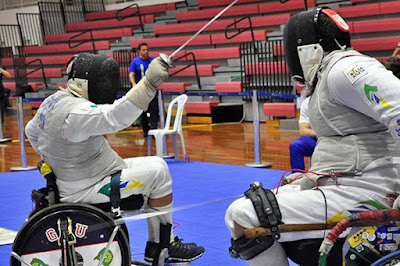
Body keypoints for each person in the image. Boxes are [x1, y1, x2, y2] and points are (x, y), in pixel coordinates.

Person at [225, 7, 400, 266]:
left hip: (371, 188)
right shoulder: (328, 73)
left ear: (307, 49)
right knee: (259, 204)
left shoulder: (346, 69)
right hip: (348, 181)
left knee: (244, 214)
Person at [25, 53, 204, 263]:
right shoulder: (77, 113)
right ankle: (162, 245)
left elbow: (31, 131)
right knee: (159, 174)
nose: (108, 85)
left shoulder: (54, 100)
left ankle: (161, 243)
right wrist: (148, 84)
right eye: (104, 81)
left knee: (157, 163)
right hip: (87, 188)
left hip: (75, 180)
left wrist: (55, 160)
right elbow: (115, 117)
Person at [129, 42, 159, 137]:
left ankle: (154, 130)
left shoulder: (153, 61)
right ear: (139, 51)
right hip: (141, 91)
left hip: (152, 90)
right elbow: (131, 73)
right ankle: (146, 130)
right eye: (143, 50)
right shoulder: (135, 62)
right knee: (143, 111)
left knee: (154, 110)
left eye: (147, 50)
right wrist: (134, 84)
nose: (146, 51)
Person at [289, 97, 317, 173]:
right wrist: (321, 133)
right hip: (318, 138)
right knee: (296, 146)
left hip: (336, 138)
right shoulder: (308, 102)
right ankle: (297, 179)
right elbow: (303, 130)